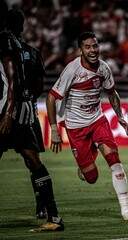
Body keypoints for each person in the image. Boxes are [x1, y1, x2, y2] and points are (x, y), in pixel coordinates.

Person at [46, 32, 128, 222]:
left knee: (114, 159)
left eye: (95, 46)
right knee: (91, 177)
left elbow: (112, 93)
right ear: (81, 49)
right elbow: (51, 97)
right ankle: (87, 159)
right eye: (88, 47)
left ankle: (126, 210)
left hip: (97, 120)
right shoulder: (72, 70)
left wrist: (120, 116)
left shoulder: (104, 68)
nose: (93, 50)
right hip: (76, 127)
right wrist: (55, 130)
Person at [0, 9, 64, 232]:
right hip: (27, 110)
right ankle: (53, 216)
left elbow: (11, 80)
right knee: (33, 161)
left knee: (33, 161)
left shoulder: (4, 41)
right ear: (23, 26)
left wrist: (8, 111)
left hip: (6, 111)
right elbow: (38, 86)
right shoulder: (33, 52)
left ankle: (47, 212)